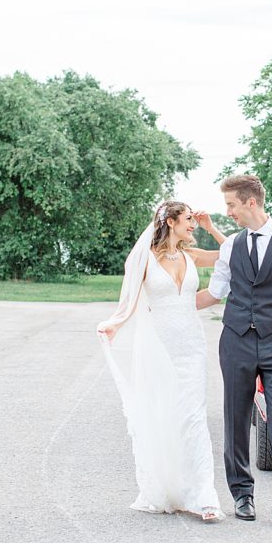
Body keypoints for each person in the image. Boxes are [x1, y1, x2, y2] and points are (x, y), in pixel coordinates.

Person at [195, 175, 272, 523]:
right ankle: (242, 495)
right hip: (235, 340)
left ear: (251, 202)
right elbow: (215, 293)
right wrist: (170, 305)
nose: (229, 212)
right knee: (236, 418)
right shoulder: (232, 245)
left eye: (232, 205)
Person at [97, 201, 227, 521]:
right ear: (170, 222)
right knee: (164, 415)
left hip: (192, 346)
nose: (192, 225)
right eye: (188, 220)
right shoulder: (144, 259)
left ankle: (204, 496)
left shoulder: (191, 255)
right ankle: (169, 487)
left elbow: (232, 252)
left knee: (194, 417)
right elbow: (129, 300)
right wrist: (116, 322)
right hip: (160, 346)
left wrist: (212, 228)